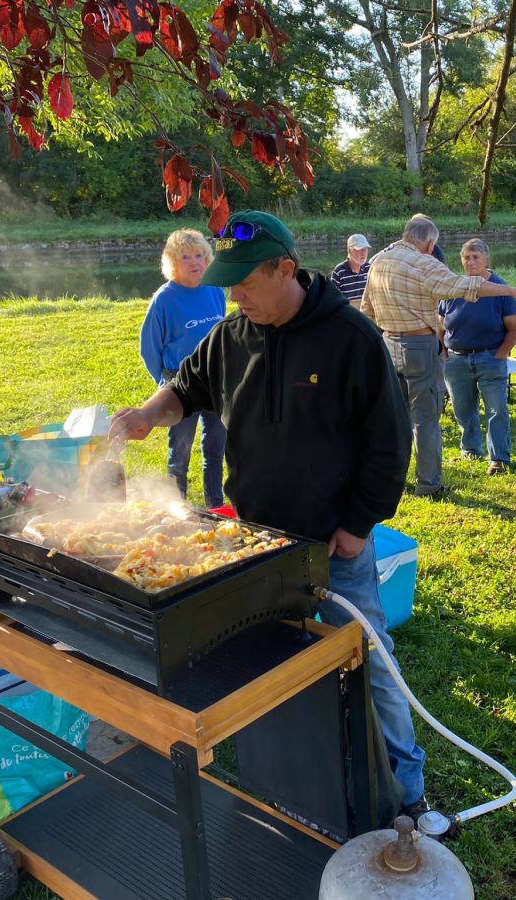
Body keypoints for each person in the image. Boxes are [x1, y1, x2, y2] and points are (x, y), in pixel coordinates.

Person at [110, 211, 430, 820]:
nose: (233, 295)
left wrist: (359, 526)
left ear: (286, 269)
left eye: (244, 283)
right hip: (253, 544)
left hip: (333, 546)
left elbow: (390, 444)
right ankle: (289, 775)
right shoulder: (233, 335)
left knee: (371, 660)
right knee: (269, 660)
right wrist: (145, 415)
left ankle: (404, 785)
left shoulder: (351, 339)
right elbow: (185, 386)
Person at [361, 214, 516, 497]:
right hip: (418, 346)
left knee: (396, 418)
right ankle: (428, 484)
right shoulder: (424, 263)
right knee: (426, 418)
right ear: (430, 244)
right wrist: (514, 290)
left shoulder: (379, 260)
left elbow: (367, 309)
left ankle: (391, 480)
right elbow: (469, 286)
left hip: (387, 344)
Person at [139, 228, 227, 508]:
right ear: (173, 263)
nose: (195, 263)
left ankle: (216, 507)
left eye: (199, 255)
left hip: (214, 380)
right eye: (186, 257)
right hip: (180, 385)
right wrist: (165, 386)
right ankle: (177, 509)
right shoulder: (164, 299)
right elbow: (149, 348)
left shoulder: (214, 289)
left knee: (215, 450)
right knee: (180, 452)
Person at [438, 239, 516, 475]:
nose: (471, 262)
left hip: (489, 358)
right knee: (462, 408)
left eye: (475, 257)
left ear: (486, 259)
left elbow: (514, 327)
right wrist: (444, 352)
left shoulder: (500, 289)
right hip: (456, 360)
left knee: (497, 409)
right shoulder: (454, 288)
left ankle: (499, 459)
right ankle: (471, 450)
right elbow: (441, 323)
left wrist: (501, 354)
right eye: (466, 257)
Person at [331, 234, 371, 310]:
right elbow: (333, 301)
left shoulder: (370, 269)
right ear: (349, 250)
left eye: (365, 249)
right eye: (359, 249)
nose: (363, 253)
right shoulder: (339, 272)